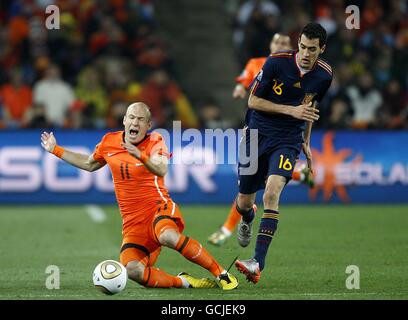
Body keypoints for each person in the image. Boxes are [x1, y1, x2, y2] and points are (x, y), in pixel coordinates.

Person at [40, 102, 238, 290]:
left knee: (168, 236)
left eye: (141, 119)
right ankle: (184, 282)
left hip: (158, 209)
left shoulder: (155, 141)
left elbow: (161, 168)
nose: (135, 123)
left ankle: (221, 273)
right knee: (132, 270)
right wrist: (55, 150)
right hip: (133, 223)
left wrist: (140, 156)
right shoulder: (109, 141)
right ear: (124, 120)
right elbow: (90, 164)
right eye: (132, 118)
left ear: (148, 125)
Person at [234, 23, 333, 284]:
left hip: (287, 139)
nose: (305, 53)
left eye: (312, 49)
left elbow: (309, 106)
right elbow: (252, 101)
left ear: (321, 49)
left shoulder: (324, 75)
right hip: (257, 134)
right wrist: (291, 111)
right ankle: (248, 216)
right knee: (244, 202)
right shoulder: (276, 62)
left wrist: (307, 141)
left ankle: (257, 263)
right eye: (302, 46)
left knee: (272, 191)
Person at [207, 33, 313, 247]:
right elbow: (244, 81)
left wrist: (305, 136)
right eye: (276, 42)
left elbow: (311, 100)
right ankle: (297, 176)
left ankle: (228, 229)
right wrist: (238, 89)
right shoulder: (257, 64)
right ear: (270, 44)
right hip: (255, 129)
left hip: (282, 134)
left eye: (284, 43)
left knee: (268, 179)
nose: (280, 45)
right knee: (247, 193)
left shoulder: (298, 71)